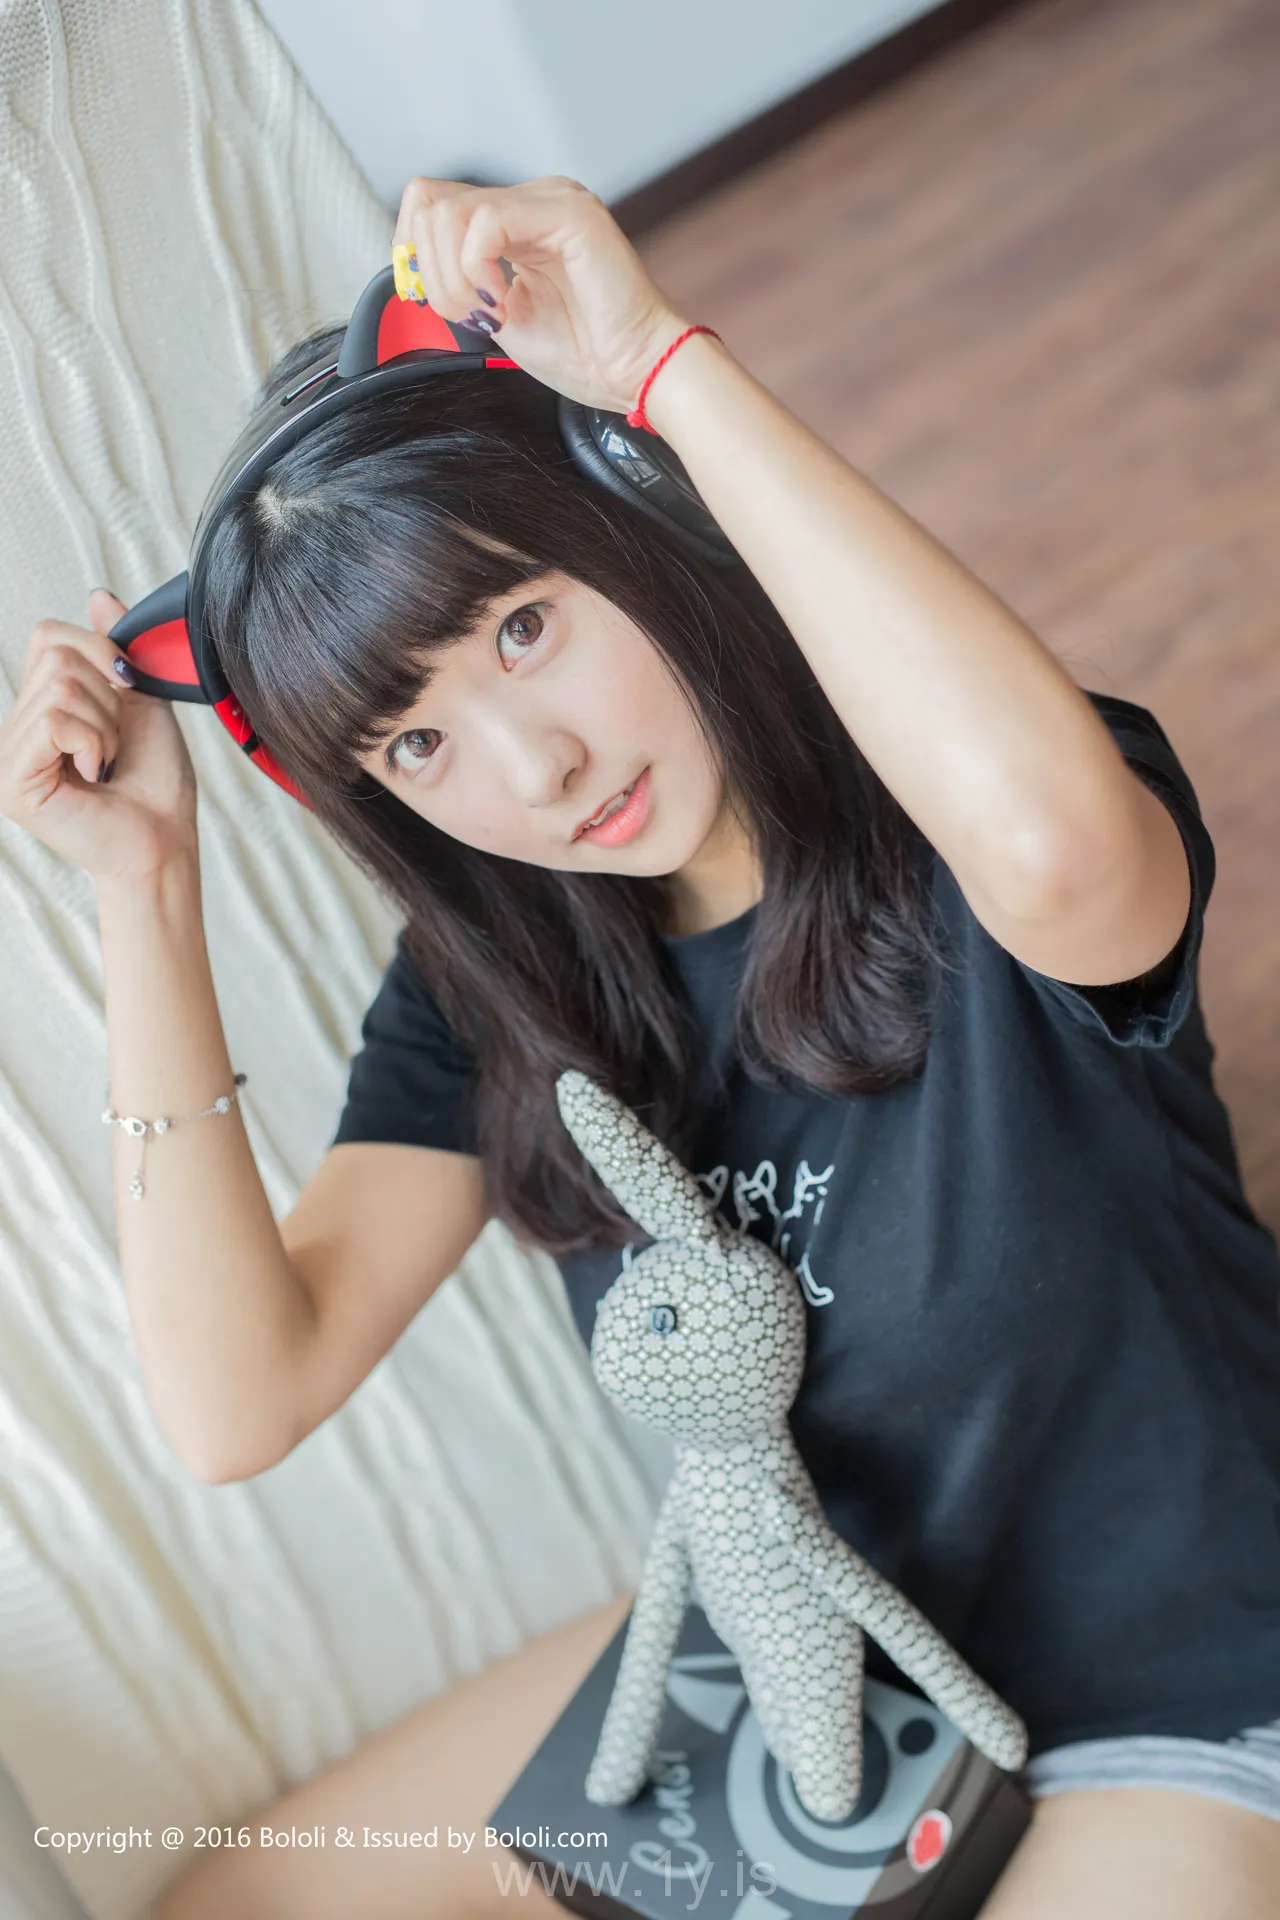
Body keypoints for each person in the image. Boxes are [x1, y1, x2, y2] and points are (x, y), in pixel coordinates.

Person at [2, 175, 1279, 1920]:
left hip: (1179, 1693)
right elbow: (237, 1401)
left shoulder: (968, 816)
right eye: (418, 744)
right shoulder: (510, 980)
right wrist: (145, 886)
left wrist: (658, 367)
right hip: (805, 1671)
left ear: (631, 516)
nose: (533, 771)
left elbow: (1061, 851)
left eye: (524, 629)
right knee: (245, 1903)